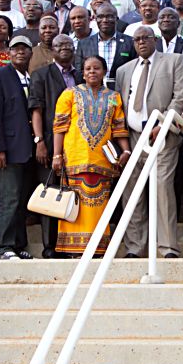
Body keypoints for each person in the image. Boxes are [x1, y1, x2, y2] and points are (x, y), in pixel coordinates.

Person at [114, 26, 183, 259]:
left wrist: (164, 123)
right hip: (134, 136)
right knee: (132, 192)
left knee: (163, 190)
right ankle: (135, 247)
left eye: (145, 38)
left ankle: (167, 247)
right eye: (137, 40)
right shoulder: (124, 70)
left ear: (155, 39)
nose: (141, 43)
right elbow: (119, 104)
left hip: (163, 136)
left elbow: (180, 96)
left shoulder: (174, 61)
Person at [51, 55, 131, 256]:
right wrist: (56, 155)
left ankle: (97, 249)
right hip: (75, 158)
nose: (92, 72)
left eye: (96, 68)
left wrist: (127, 150)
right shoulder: (69, 94)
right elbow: (59, 127)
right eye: (87, 69)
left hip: (102, 161)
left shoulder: (114, 97)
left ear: (104, 72)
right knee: (74, 205)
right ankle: (73, 249)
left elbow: (119, 127)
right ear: (83, 73)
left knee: (99, 207)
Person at [0, 35, 39, 260]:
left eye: (24, 49)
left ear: (30, 53)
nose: (20, 53)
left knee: (21, 200)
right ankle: (4, 247)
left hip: (27, 150)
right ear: (8, 53)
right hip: (7, 150)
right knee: (8, 199)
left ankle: (18, 244)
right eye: (15, 49)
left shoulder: (30, 77)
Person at [29, 35, 83, 258]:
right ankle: (50, 247)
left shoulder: (81, 75)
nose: (64, 49)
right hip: (50, 144)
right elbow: (36, 110)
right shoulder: (41, 75)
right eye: (59, 46)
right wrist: (39, 141)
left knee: (74, 194)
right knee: (51, 193)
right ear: (51, 51)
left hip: (79, 146)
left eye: (68, 46)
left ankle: (71, 244)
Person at [75, 3, 136, 84]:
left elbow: (134, 70)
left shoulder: (130, 42)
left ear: (117, 19)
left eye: (109, 16)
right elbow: (79, 73)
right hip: (92, 93)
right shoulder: (84, 44)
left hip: (122, 91)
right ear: (95, 19)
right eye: (100, 17)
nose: (105, 20)